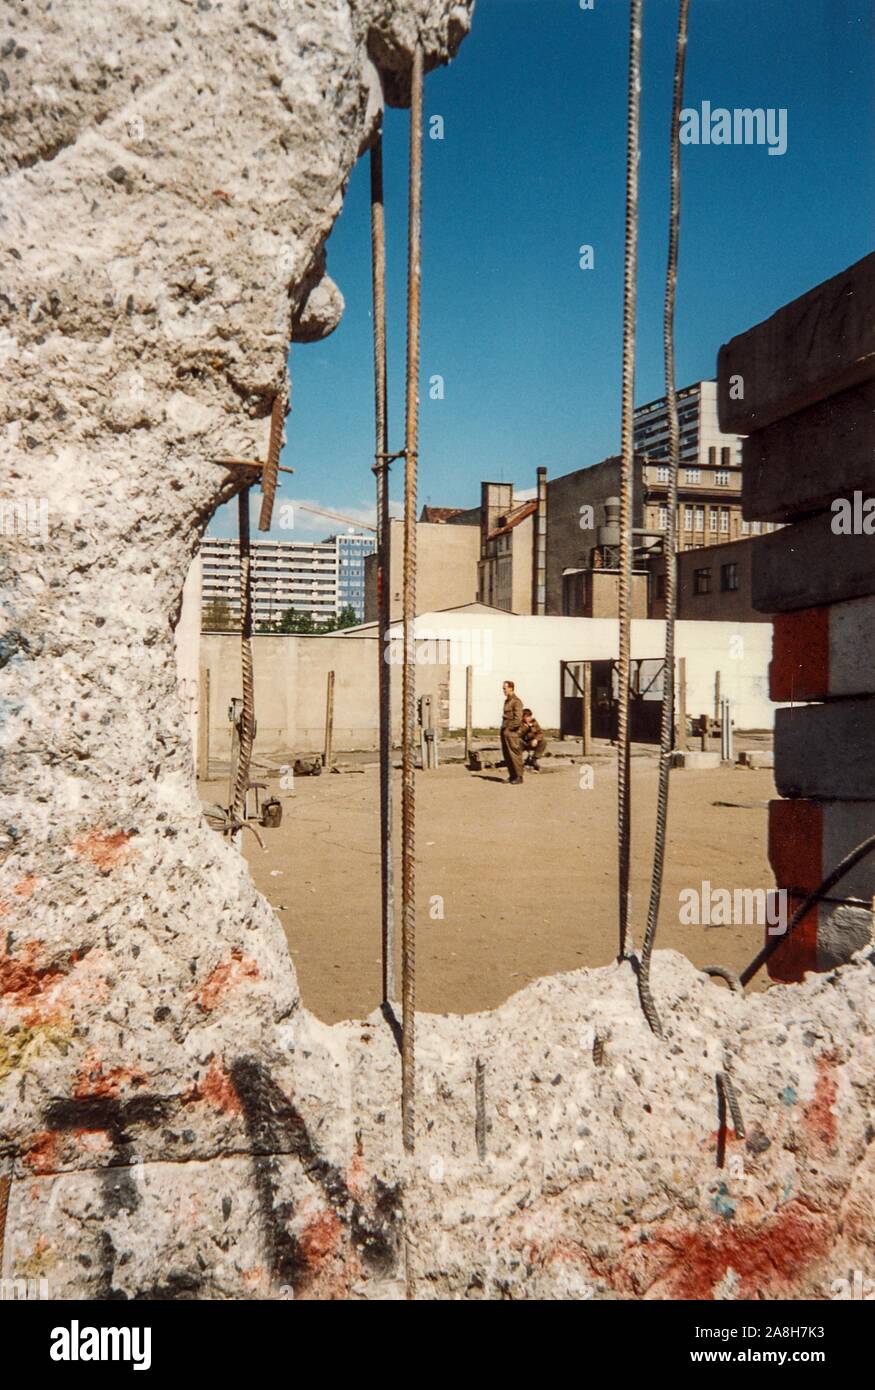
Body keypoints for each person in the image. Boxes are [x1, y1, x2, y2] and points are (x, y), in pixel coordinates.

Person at [500, 679, 525, 784]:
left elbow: (518, 719)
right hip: (505, 731)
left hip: (512, 732)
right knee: (507, 755)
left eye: (505, 688)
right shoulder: (507, 700)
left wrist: (509, 728)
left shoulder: (516, 701)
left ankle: (519, 776)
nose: (503, 690)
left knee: (515, 754)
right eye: (503, 689)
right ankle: (512, 775)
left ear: (511, 688)